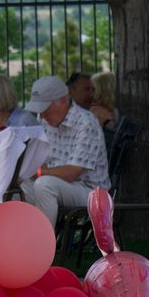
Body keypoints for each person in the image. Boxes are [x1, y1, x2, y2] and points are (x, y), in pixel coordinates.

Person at [21, 74, 110, 226]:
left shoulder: (86, 123)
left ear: (63, 101)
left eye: (45, 109)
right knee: (18, 188)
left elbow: (72, 173)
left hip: (90, 190)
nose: (41, 114)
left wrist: (39, 172)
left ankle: (43, 247)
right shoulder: (45, 120)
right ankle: (19, 243)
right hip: (60, 184)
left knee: (44, 185)